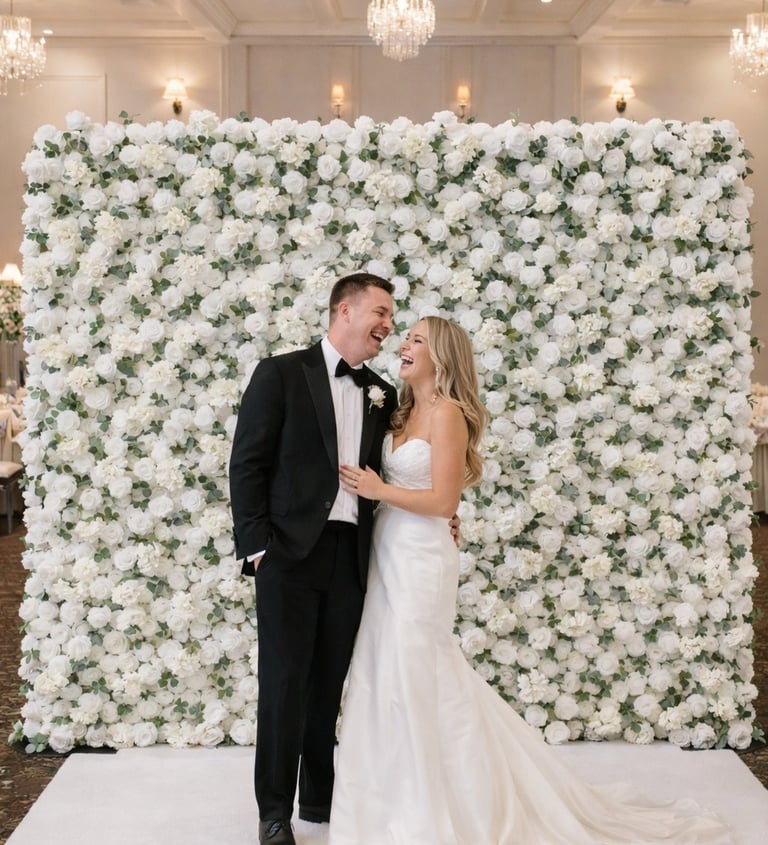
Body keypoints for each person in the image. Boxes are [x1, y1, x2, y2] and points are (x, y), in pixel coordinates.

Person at [329, 315, 732, 845]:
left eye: (417, 341)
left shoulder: (447, 414)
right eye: (406, 337)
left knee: (416, 668)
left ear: (442, 356)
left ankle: (442, 806)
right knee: (385, 669)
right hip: (388, 551)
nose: (403, 345)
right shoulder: (399, 407)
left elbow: (444, 502)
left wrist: (381, 491)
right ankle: (389, 800)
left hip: (422, 557)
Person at [228, 272, 398, 845]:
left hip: (350, 556)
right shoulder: (280, 373)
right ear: (344, 311)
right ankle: (273, 811)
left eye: (392, 318)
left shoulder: (383, 392)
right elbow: (247, 462)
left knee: (329, 686)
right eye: (380, 312)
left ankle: (320, 802)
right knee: (283, 685)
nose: (387, 325)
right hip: (287, 556)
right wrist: (256, 547)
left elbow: (389, 475)